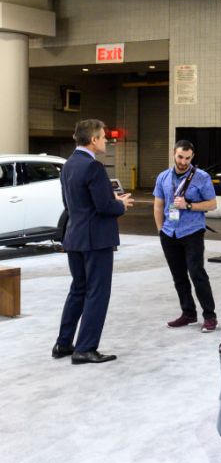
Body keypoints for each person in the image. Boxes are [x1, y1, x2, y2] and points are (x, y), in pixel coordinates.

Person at [53, 119, 134, 364]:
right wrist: (120, 204)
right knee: (97, 292)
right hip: (95, 240)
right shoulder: (94, 167)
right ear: (93, 140)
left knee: (78, 289)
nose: (106, 140)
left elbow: (70, 203)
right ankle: (85, 348)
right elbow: (104, 206)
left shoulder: (68, 165)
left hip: (74, 236)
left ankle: (63, 343)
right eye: (103, 137)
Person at [153, 140, 219, 332]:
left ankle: (210, 316)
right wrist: (160, 231)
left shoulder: (201, 177)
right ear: (174, 153)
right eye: (180, 157)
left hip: (192, 232)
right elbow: (158, 204)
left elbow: (212, 204)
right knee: (179, 276)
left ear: (192, 157)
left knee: (197, 274)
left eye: (187, 158)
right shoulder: (163, 177)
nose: (183, 161)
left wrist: (189, 205)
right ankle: (188, 313)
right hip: (169, 233)